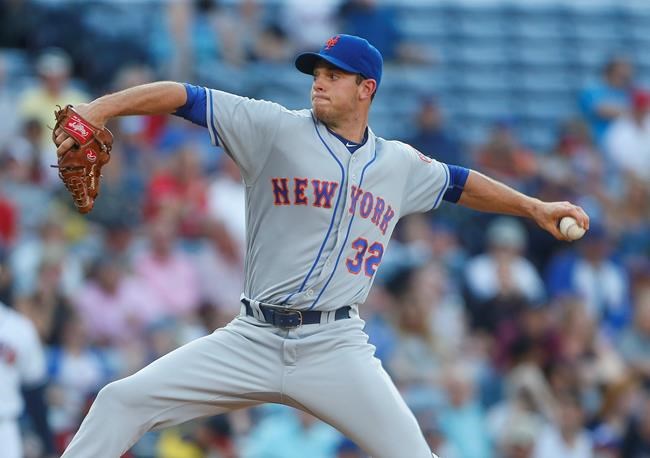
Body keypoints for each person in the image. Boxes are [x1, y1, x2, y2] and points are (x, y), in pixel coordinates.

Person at [54, 34, 589, 458]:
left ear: (367, 89)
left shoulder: (398, 164)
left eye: (335, 75)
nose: (319, 82)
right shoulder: (273, 129)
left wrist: (536, 208)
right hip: (252, 337)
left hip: (335, 347)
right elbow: (183, 96)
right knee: (120, 401)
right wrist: (100, 109)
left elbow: (461, 182)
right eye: (317, 73)